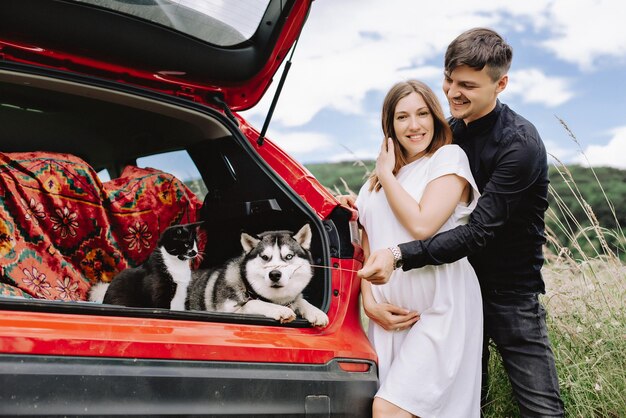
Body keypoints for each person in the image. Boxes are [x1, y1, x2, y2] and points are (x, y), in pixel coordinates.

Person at [358, 28, 565, 417]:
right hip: (451, 281)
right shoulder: (450, 130)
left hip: (507, 291)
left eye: (467, 85)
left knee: (540, 407)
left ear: (500, 84)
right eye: (449, 80)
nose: (453, 92)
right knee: (459, 401)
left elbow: (474, 233)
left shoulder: (519, 144)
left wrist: (397, 254)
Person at [355, 79, 483, 418]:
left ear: (435, 117)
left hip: (441, 308)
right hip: (390, 317)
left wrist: (386, 173)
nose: (414, 125)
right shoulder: (374, 183)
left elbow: (423, 225)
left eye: (422, 114)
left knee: (389, 409)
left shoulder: (447, 159)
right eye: (402, 117)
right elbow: (369, 242)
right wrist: (369, 302)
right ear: (390, 125)